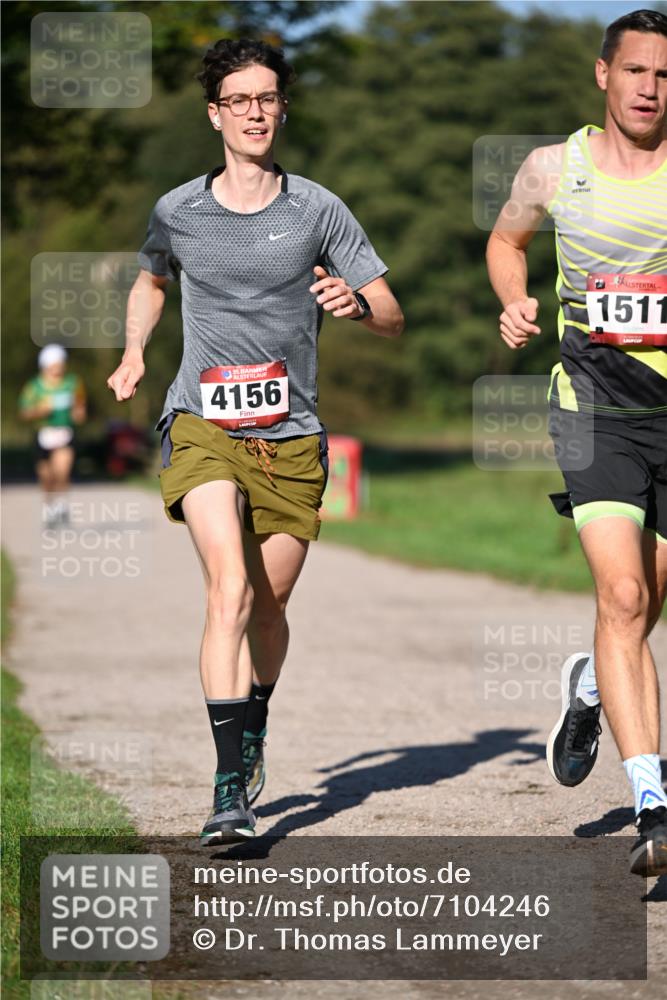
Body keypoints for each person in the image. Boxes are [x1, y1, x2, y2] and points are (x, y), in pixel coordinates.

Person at [106, 39, 403, 846]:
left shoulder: (318, 209)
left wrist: (355, 305)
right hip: (201, 424)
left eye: (267, 98)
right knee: (228, 591)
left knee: (268, 612)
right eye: (239, 100)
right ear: (215, 115)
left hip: (292, 438)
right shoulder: (178, 210)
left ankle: (253, 722)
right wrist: (134, 352)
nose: (255, 112)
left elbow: (391, 315)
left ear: (282, 108)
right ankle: (228, 791)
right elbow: (150, 280)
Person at [486, 10, 667, 877]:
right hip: (593, 405)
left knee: (645, 598)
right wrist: (513, 298)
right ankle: (652, 805)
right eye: (634, 71)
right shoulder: (552, 168)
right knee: (622, 595)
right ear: (603, 74)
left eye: (663, 75)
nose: (648, 88)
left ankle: (590, 688)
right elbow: (505, 240)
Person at [19, 343, 87, 527]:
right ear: (45, 365)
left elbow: (80, 408)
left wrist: (78, 413)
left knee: (61, 472)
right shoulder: (34, 386)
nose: (58, 369)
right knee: (47, 478)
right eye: (54, 365)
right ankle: (49, 509)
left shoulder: (73, 383)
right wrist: (39, 411)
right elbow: (24, 413)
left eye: (60, 364)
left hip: (64, 433)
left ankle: (62, 507)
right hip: (43, 434)